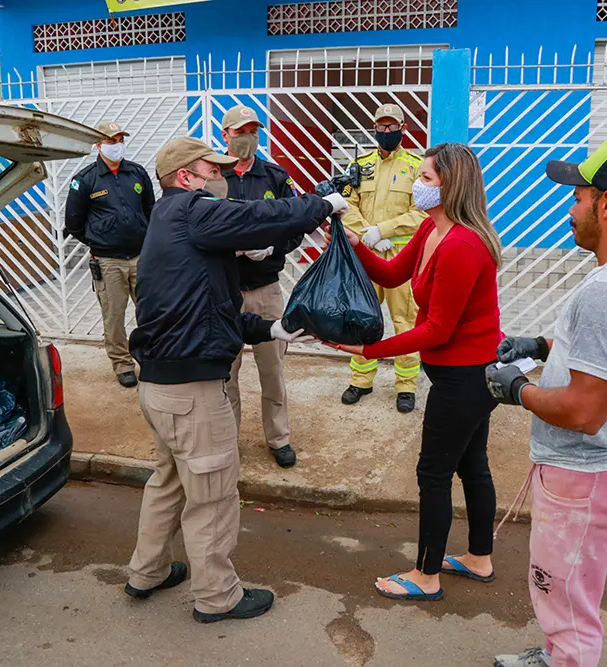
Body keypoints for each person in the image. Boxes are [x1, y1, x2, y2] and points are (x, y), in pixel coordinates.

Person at [124, 137, 348, 624]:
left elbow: (210, 310)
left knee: (168, 481)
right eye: (211, 169)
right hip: (193, 394)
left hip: (161, 389)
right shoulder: (191, 209)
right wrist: (321, 205)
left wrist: (272, 328)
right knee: (213, 495)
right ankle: (217, 596)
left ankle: (147, 571)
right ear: (186, 176)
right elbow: (259, 217)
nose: (220, 178)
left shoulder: (170, 222)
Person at [486, 138, 607, 667]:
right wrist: (542, 346)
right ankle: (555, 653)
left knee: (567, 606)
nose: (570, 211)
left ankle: (564, 658)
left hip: (582, 481)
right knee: (571, 593)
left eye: (578, 198)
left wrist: (516, 389)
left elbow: (584, 411)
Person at [328, 143, 504, 601]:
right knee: (471, 466)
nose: (416, 185)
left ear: (451, 187)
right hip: (463, 374)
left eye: (425, 179)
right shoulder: (431, 228)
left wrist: (371, 348)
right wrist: (353, 244)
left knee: (434, 475)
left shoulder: (463, 245)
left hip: (466, 377)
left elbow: (437, 330)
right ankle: (479, 559)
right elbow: (389, 275)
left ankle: (426, 577)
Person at [220, 105, 304, 469]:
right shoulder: (212, 177)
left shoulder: (274, 176)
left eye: (253, 130)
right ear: (225, 135)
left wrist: (273, 246)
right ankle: (227, 440)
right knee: (226, 374)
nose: (247, 138)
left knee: (272, 373)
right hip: (224, 293)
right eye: (240, 131)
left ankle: (278, 438)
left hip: (266, 292)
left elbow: (295, 224)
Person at [340, 103, 428, 414]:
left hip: (401, 258)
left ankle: (406, 385)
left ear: (404, 129)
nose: (386, 131)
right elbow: (345, 203)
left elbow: (422, 212)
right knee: (362, 319)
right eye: (381, 126)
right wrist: (368, 233)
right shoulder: (361, 165)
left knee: (405, 321)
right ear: (374, 128)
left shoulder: (416, 167)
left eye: (392, 126)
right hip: (367, 253)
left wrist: (386, 229)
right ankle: (361, 379)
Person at [65, 121, 155, 388]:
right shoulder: (85, 179)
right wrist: (99, 240)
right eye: (111, 141)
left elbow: (150, 210)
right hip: (109, 261)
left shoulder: (137, 173)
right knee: (114, 316)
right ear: (98, 145)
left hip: (142, 258)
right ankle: (123, 363)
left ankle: (152, 358)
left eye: (119, 140)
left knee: (150, 312)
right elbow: (73, 222)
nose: (117, 146)